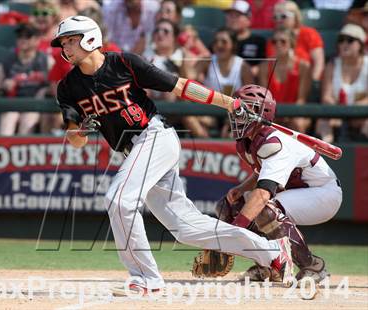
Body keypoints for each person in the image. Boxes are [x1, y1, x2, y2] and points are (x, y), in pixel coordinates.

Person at [52, 15, 293, 293]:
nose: (66, 47)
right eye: (63, 42)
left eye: (71, 40)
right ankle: (272, 252)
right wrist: (79, 132)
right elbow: (74, 138)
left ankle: (145, 279)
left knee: (118, 199)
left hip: (155, 137)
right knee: (185, 227)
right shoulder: (67, 87)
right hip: (135, 151)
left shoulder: (124, 63)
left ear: (90, 38)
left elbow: (180, 86)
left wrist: (230, 103)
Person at [214, 84, 342, 283]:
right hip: (299, 192)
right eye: (237, 109)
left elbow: (263, 194)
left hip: (324, 194)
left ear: (263, 111)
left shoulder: (275, 143)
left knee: (264, 209)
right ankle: (268, 266)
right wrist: (241, 189)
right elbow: (263, 174)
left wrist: (233, 232)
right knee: (229, 206)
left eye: (246, 109)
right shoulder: (249, 142)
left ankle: (313, 267)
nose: (238, 115)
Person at [192, 28, 253, 138]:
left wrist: (230, 120)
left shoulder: (243, 66)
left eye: (224, 42)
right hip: (209, 113)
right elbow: (189, 79)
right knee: (189, 116)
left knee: (236, 128)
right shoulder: (206, 62)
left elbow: (250, 98)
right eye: (216, 41)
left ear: (233, 45)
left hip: (235, 114)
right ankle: (207, 147)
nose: (219, 45)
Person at [317, 24, 368, 142]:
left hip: (362, 115)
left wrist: (351, 111)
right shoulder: (332, 65)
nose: (344, 44)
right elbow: (326, 97)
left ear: (360, 44)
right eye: (341, 40)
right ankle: (326, 155)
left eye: (350, 40)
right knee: (323, 123)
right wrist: (339, 112)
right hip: (335, 114)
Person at [0, 24, 48, 135]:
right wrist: (4, 85)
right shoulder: (7, 60)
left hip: (33, 103)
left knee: (28, 122)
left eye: (27, 36)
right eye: (20, 36)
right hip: (12, 103)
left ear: (37, 40)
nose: (22, 40)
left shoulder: (46, 60)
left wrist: (44, 91)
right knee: (7, 122)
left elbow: (55, 84)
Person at [259, 29, 311, 133]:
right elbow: (264, 99)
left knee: (298, 123)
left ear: (291, 43)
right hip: (272, 111)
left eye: (283, 41)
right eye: (274, 41)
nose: (278, 44)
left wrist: (288, 114)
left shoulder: (303, 66)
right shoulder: (264, 66)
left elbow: (301, 99)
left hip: (295, 112)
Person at [266, 1, 324, 95]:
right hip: (281, 87)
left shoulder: (309, 33)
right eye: (275, 17)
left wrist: (313, 83)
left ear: (295, 17)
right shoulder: (274, 40)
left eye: (283, 16)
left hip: (306, 84)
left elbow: (319, 62)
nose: (278, 20)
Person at [224, 0, 267, 77]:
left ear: (249, 19)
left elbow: (263, 66)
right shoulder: (221, 39)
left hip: (250, 84)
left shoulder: (258, 41)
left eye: (237, 15)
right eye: (230, 15)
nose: (232, 19)